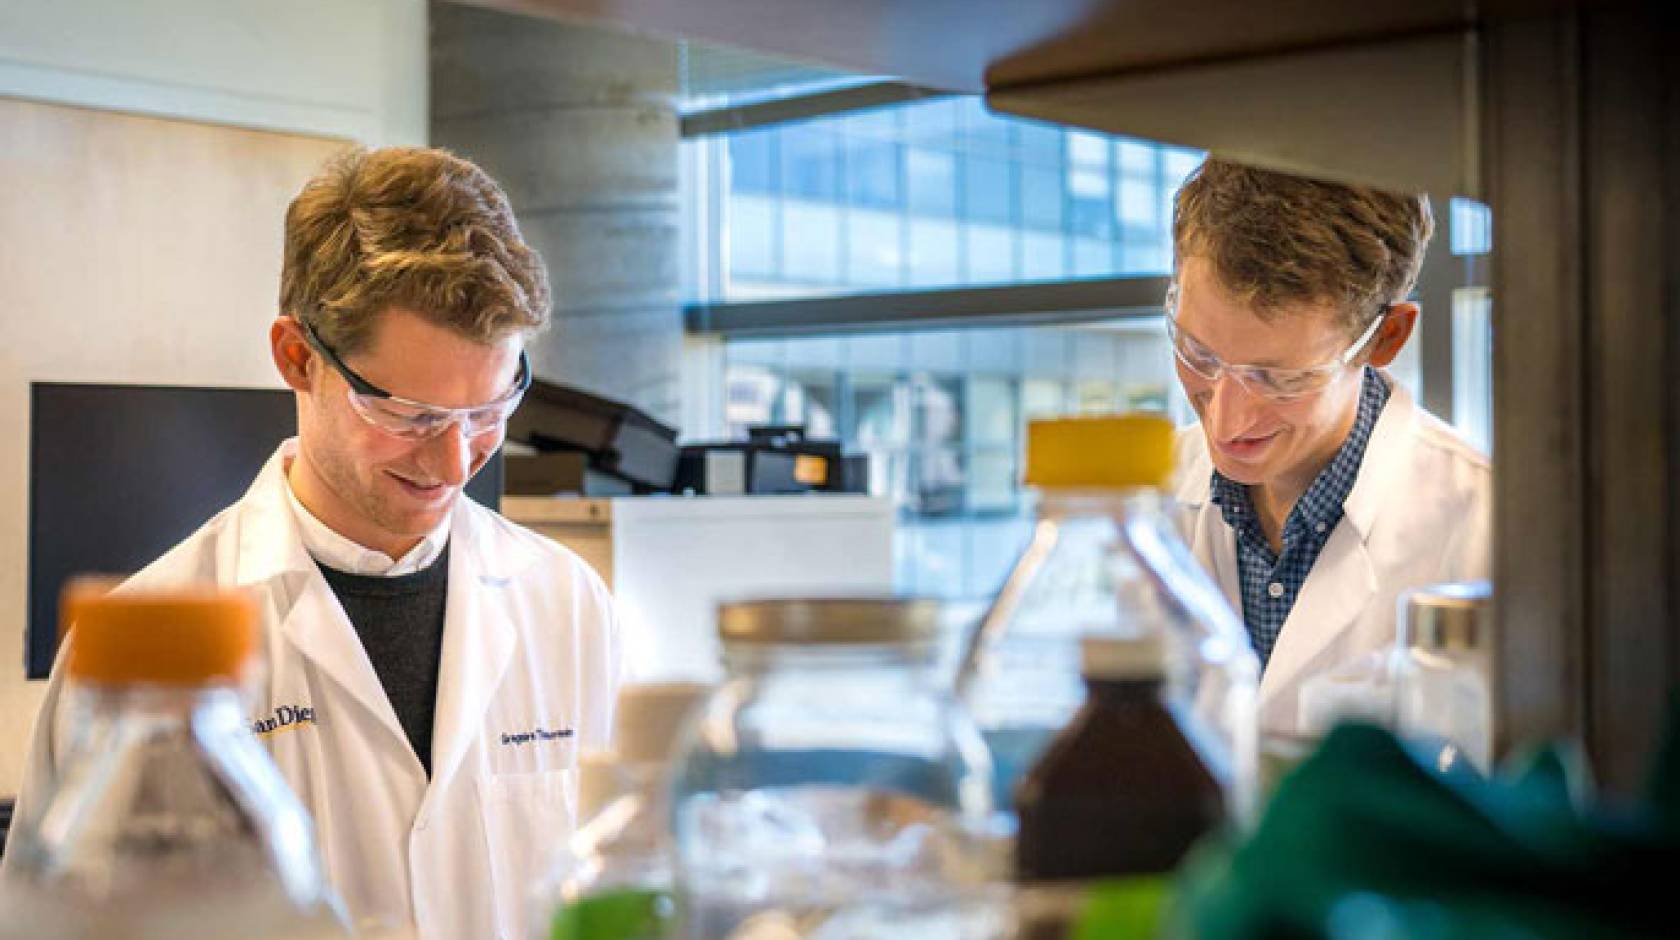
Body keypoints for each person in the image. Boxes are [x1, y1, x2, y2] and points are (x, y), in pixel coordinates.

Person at [7, 147, 622, 939]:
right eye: (411, 416)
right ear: (298, 357)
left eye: (487, 412)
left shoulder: (567, 604)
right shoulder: (140, 651)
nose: (453, 462)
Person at [1166, 158, 1490, 735]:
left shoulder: (1487, 525)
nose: (1226, 419)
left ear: (1386, 337)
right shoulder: (1147, 498)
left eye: (1280, 378)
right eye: (1198, 354)